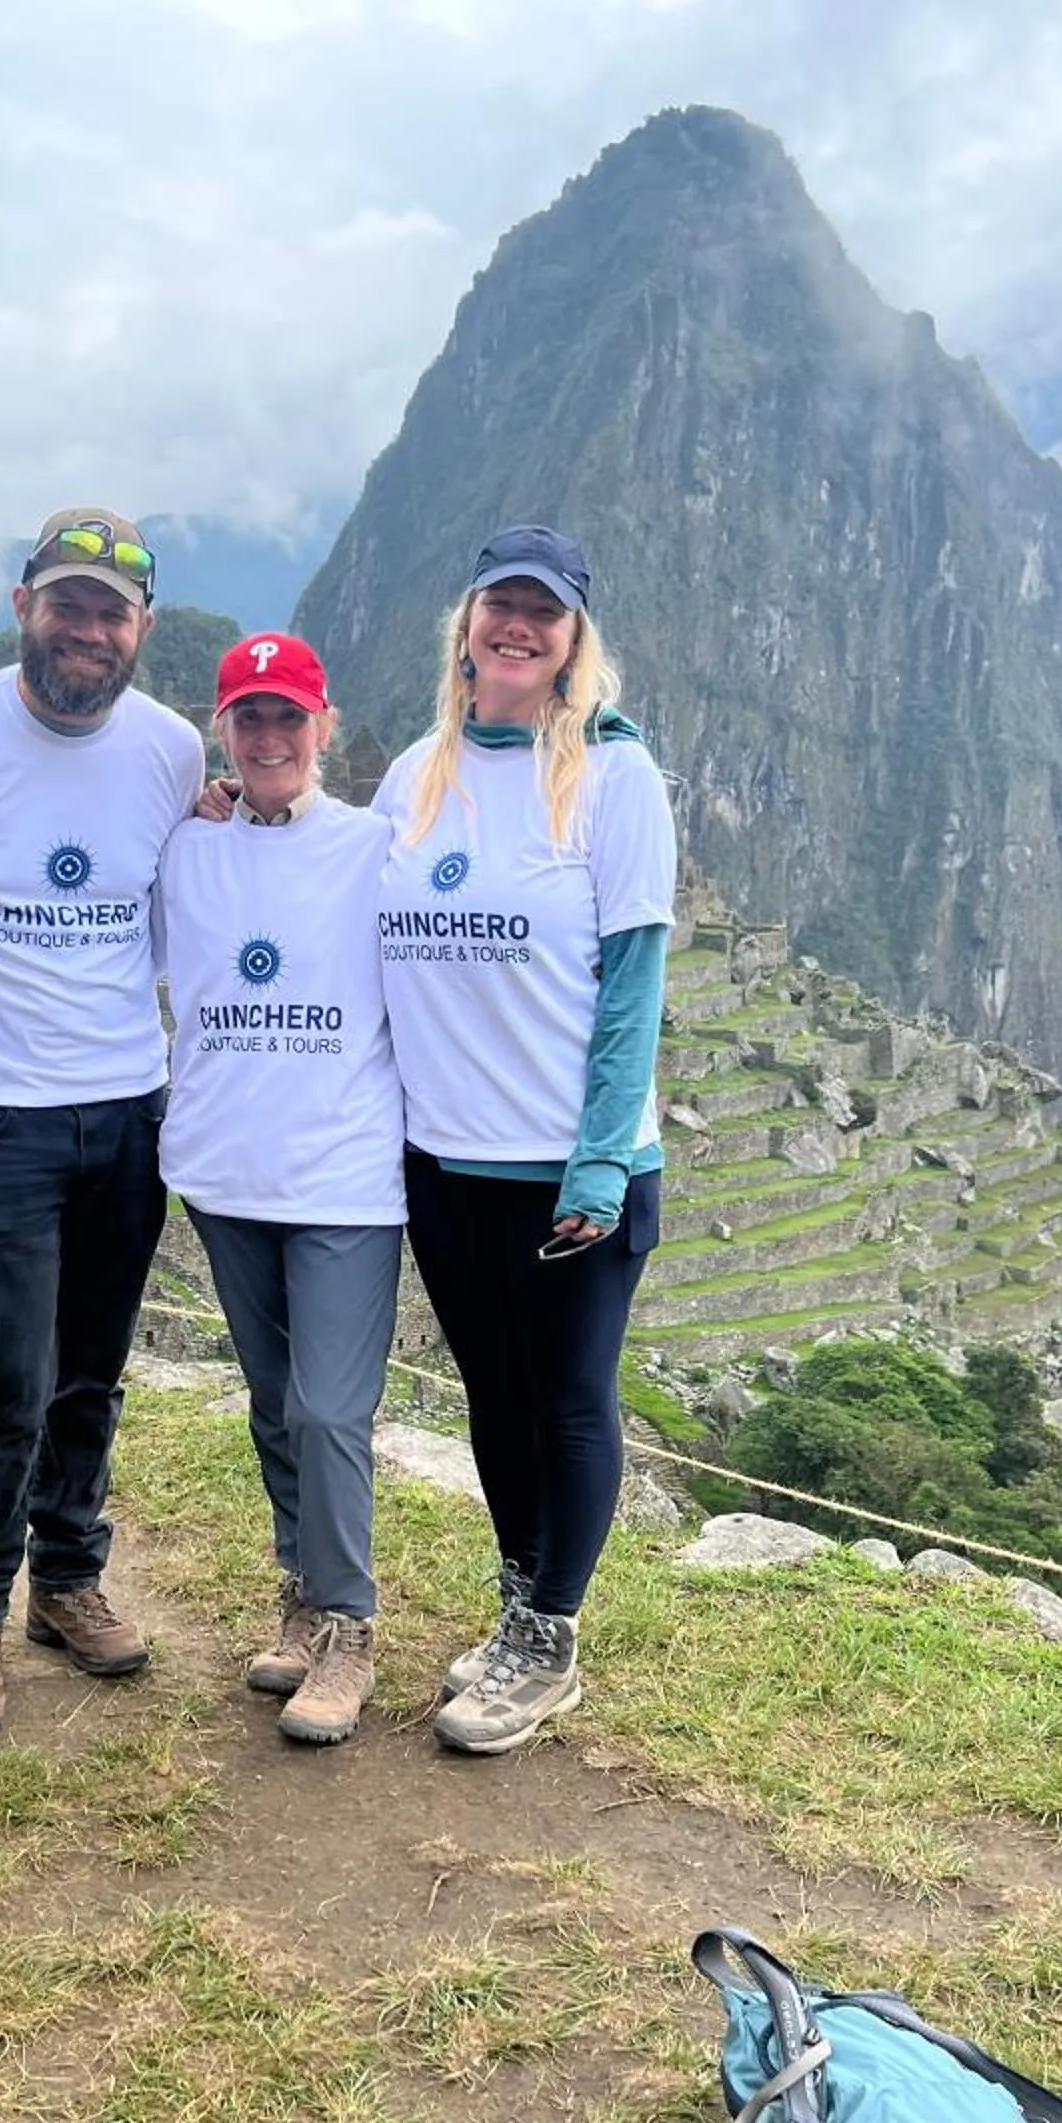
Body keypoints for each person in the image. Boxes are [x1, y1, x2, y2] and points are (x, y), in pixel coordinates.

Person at [0, 508, 203, 1733]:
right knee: (8, 1373)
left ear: (142, 629)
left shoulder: (171, 751)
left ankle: (67, 1579)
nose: (87, 629)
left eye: (110, 612)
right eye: (67, 603)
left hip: (127, 1107)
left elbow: (185, 896)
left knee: (93, 1369)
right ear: (24, 606)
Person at [372, 527, 676, 1757]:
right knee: (494, 1399)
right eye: (500, 603)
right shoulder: (414, 776)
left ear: (571, 639)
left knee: (568, 1403)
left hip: (571, 1170)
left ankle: (549, 1642)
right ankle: (517, 1610)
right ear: (467, 625)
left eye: (542, 613)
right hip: (446, 1165)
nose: (517, 626)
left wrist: (599, 1157)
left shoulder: (613, 776)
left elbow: (633, 984)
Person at [156, 632, 402, 1745]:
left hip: (343, 1177)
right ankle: (301, 1594)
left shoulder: (375, 848)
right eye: (248, 718)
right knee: (272, 1399)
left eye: (287, 718)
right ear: (223, 731)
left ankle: (349, 1623)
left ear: (323, 728)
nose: (268, 738)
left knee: (328, 1407)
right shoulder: (187, 848)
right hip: (224, 1170)